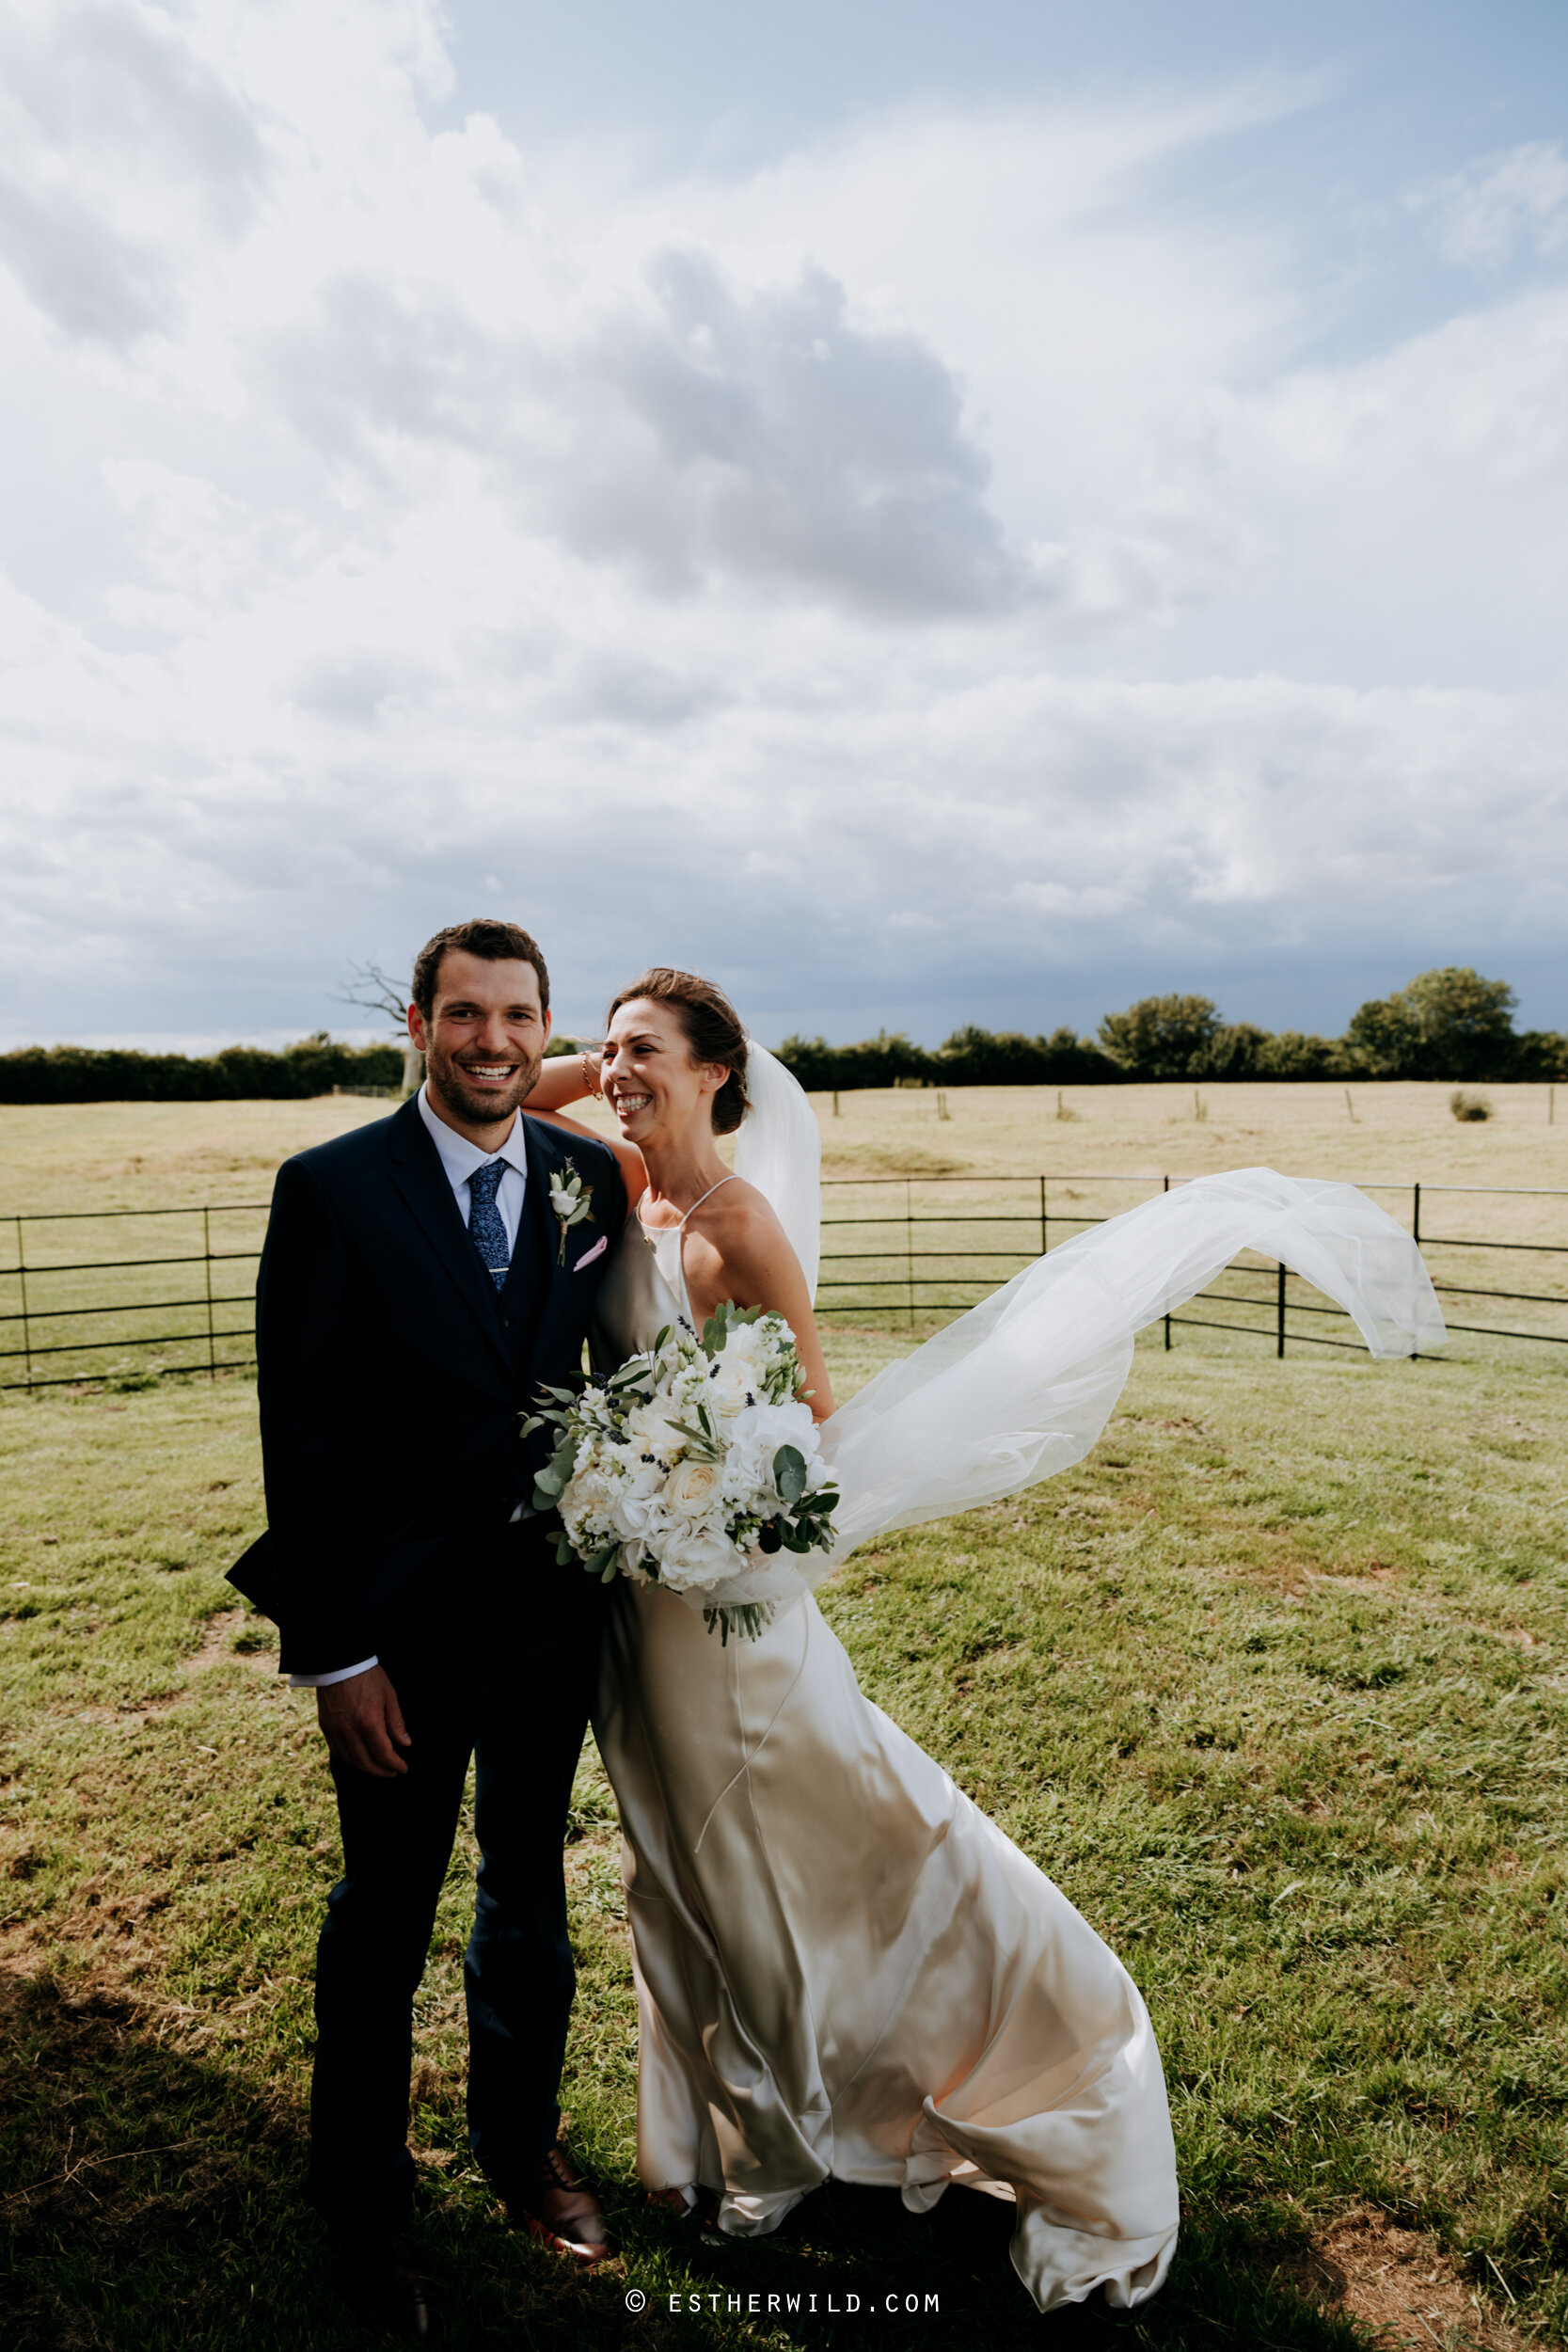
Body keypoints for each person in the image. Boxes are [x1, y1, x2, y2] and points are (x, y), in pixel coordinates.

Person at [527, 966, 1444, 2313]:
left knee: (799, 1857)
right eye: (607, 1050)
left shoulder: (738, 1230)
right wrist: (602, 1063)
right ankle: (725, 2135)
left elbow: (809, 1438)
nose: (611, 1071)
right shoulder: (614, 1181)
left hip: (723, 1617)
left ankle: (912, 2096)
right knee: (674, 1865)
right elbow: (497, 1094)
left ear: (723, 1070)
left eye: (646, 1050)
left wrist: (701, 1506)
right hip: (632, 1605)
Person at [230, 918, 626, 2340]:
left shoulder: (590, 1184)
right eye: (467, 1016)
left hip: (549, 1622)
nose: (496, 1043)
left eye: (520, 1017)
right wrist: (334, 1653)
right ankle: (367, 2205)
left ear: (544, 1026)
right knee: (383, 1915)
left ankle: (524, 2154)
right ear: (419, 1022)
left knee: (530, 1895)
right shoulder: (332, 1189)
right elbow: (305, 1441)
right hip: (395, 1640)